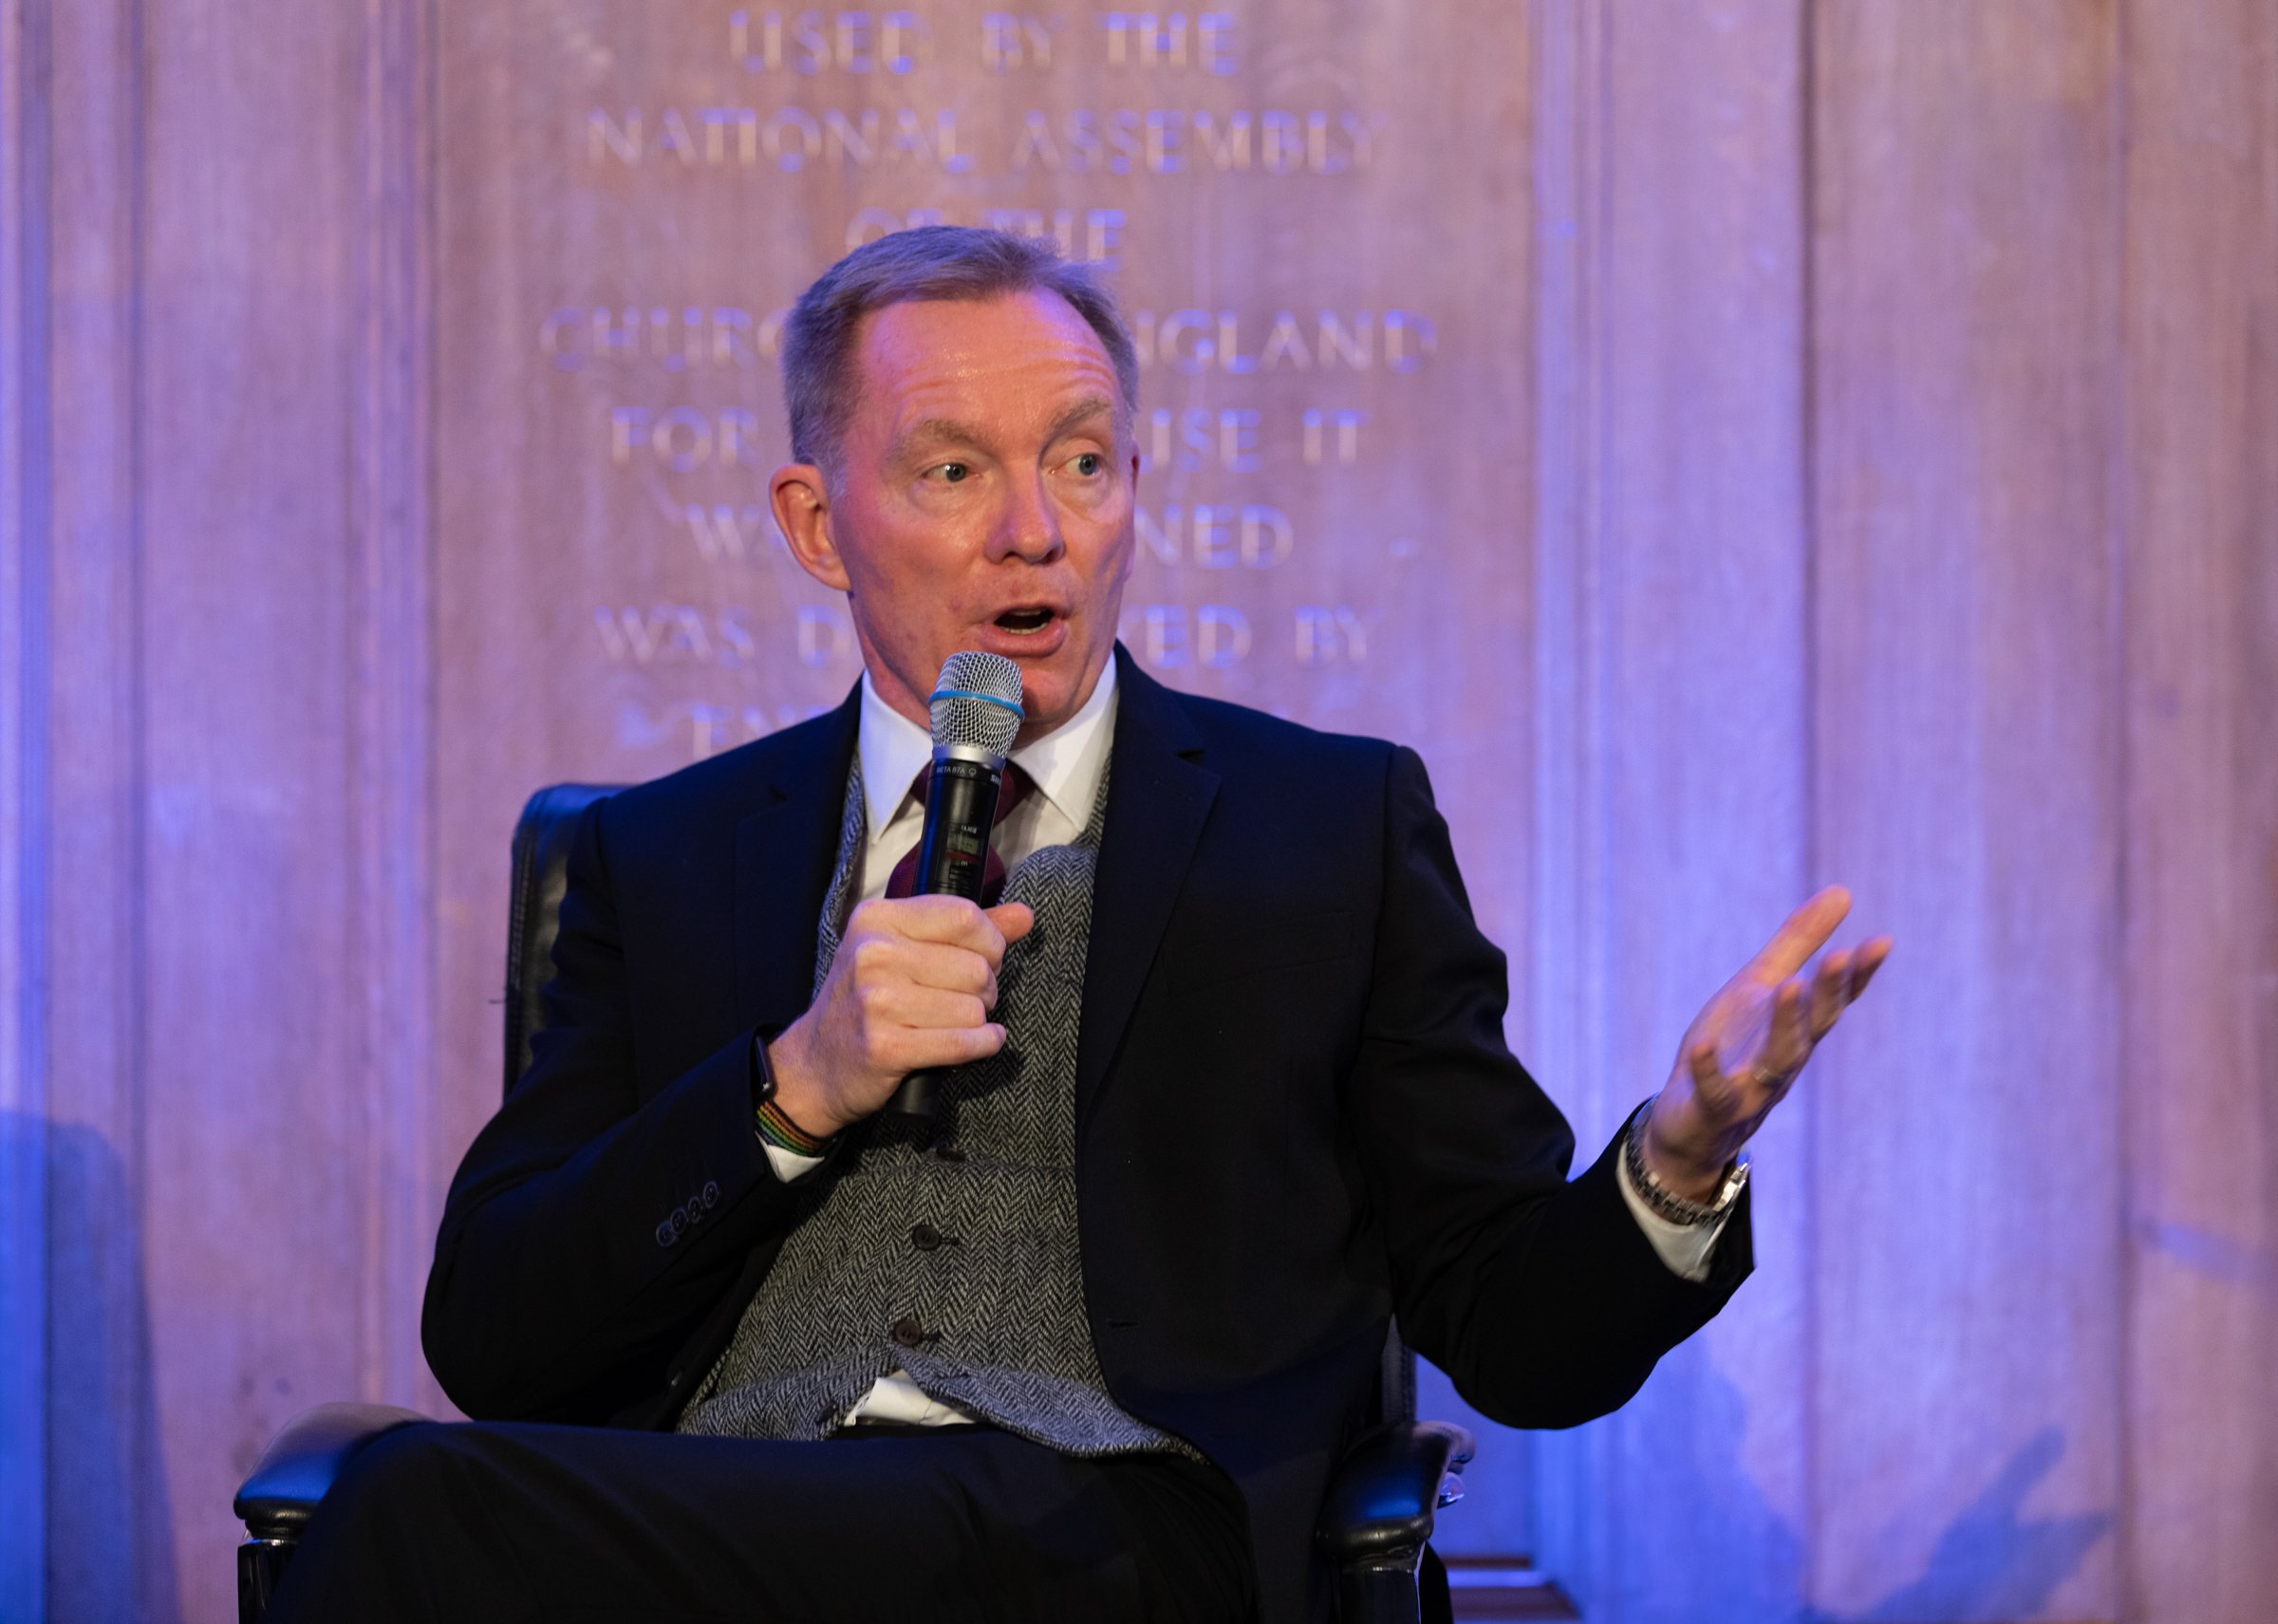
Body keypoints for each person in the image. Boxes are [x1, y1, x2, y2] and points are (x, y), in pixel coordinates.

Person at [269, 227, 1889, 1624]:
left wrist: (1675, 1159)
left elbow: (1515, 1333)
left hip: (1120, 1526)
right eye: (954, 470)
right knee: (411, 1498)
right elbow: (494, 1332)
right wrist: (790, 1090)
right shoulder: (666, 851)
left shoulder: (1323, 828)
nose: (1033, 530)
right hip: (735, 1512)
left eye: (1084, 459)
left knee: (415, 1523)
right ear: (817, 524)